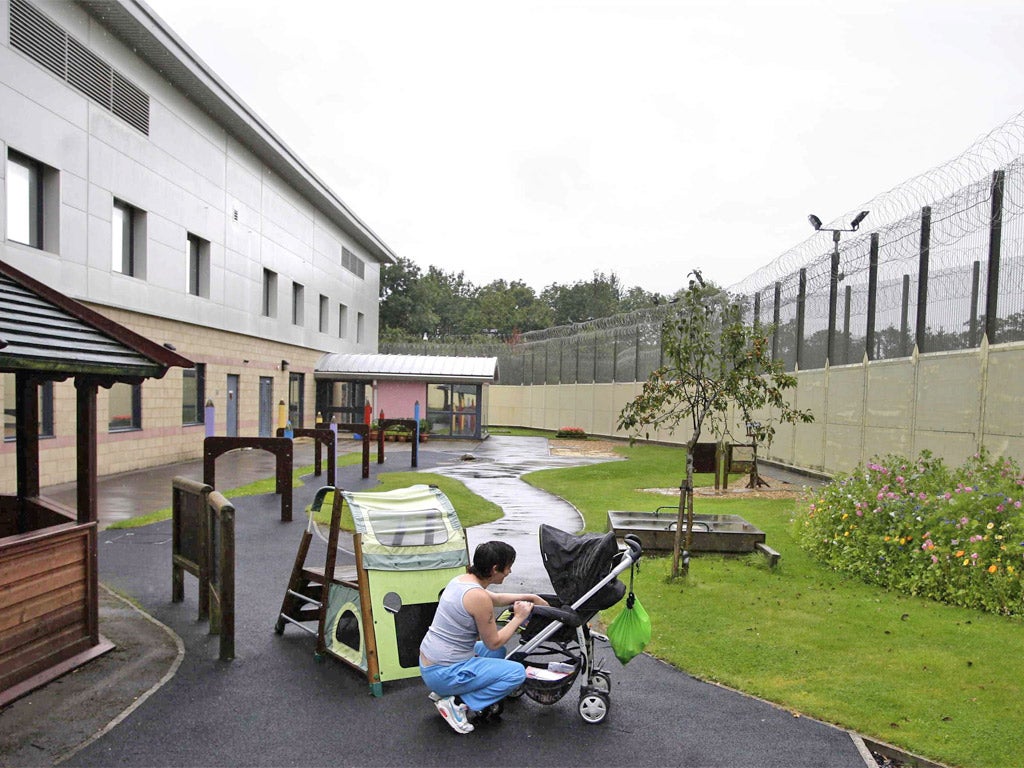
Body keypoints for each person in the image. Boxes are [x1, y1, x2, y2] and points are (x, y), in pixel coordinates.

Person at [419, 541, 548, 734]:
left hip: (431, 664)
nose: (509, 572)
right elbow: (493, 640)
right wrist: (519, 618)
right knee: (516, 672)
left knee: (495, 652)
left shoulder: (461, 581)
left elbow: (494, 599)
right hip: (443, 672)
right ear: (495, 568)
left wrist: (531, 596)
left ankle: (449, 691)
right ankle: (458, 703)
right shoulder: (477, 597)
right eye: (508, 567)